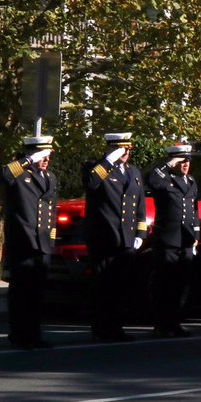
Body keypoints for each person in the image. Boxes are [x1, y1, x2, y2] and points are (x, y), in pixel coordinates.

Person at [84, 132, 146, 342]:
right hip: (104, 237)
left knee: (120, 286)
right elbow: (91, 182)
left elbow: (140, 206)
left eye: (128, 149)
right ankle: (101, 328)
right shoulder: (97, 168)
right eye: (121, 148)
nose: (126, 152)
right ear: (111, 148)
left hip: (127, 239)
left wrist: (140, 233)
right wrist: (109, 160)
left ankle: (116, 327)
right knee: (103, 285)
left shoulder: (133, 172)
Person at [0, 135, 58, 349]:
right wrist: (28, 159)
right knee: (21, 292)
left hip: (42, 243)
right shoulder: (19, 174)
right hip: (23, 241)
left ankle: (34, 333)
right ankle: (19, 334)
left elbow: (51, 212)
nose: (45, 160)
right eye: (42, 155)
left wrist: (50, 242)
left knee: (37, 293)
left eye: (47, 155)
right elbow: (5, 173)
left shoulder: (49, 177)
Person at [146, 142, 198, 338]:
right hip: (168, 239)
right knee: (163, 284)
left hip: (185, 239)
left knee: (181, 284)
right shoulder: (164, 180)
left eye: (188, 161)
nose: (186, 165)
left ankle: (175, 321)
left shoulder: (191, 181)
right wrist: (169, 163)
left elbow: (194, 211)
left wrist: (196, 235)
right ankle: (162, 323)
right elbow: (151, 179)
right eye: (182, 161)